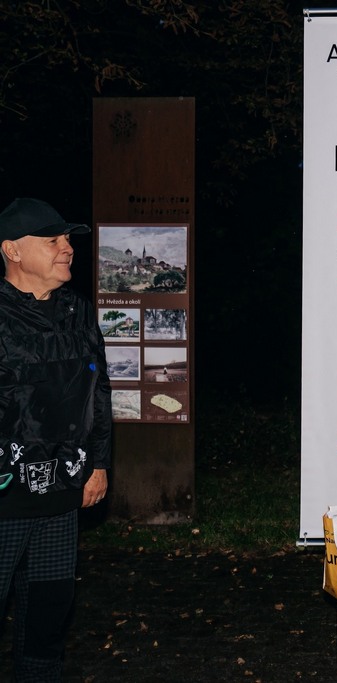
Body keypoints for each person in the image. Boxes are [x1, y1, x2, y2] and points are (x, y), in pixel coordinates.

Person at [0, 198, 112, 680]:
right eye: (52, 240)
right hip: (5, 500)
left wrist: (99, 465)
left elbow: (99, 391)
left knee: (48, 618)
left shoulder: (78, 311)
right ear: (12, 250)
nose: (67, 248)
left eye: (67, 239)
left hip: (63, 496)